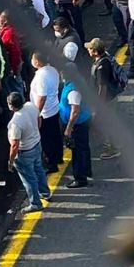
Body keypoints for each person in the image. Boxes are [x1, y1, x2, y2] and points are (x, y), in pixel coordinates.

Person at [6, 92, 51, 212]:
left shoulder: (15, 123)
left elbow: (15, 145)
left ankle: (36, 203)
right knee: (39, 169)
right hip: (37, 144)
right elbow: (39, 120)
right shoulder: (31, 106)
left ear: (11, 106)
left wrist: (11, 161)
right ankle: (45, 192)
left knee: (28, 178)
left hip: (24, 151)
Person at [60, 43, 93, 188]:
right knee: (84, 147)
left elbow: (75, 110)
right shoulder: (78, 79)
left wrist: (68, 128)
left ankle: (80, 178)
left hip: (77, 124)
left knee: (77, 151)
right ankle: (87, 170)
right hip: (83, 120)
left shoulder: (73, 90)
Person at [85, 38, 121, 160]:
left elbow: (102, 88)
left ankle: (112, 149)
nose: (88, 50)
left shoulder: (101, 67)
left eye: (90, 48)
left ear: (95, 51)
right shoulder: (105, 58)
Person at [29, 51, 62, 173]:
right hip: (54, 108)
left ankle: (51, 164)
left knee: (47, 140)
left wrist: (37, 114)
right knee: (55, 135)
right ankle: (58, 157)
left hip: (45, 112)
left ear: (37, 62)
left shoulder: (41, 77)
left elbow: (42, 97)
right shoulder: (52, 70)